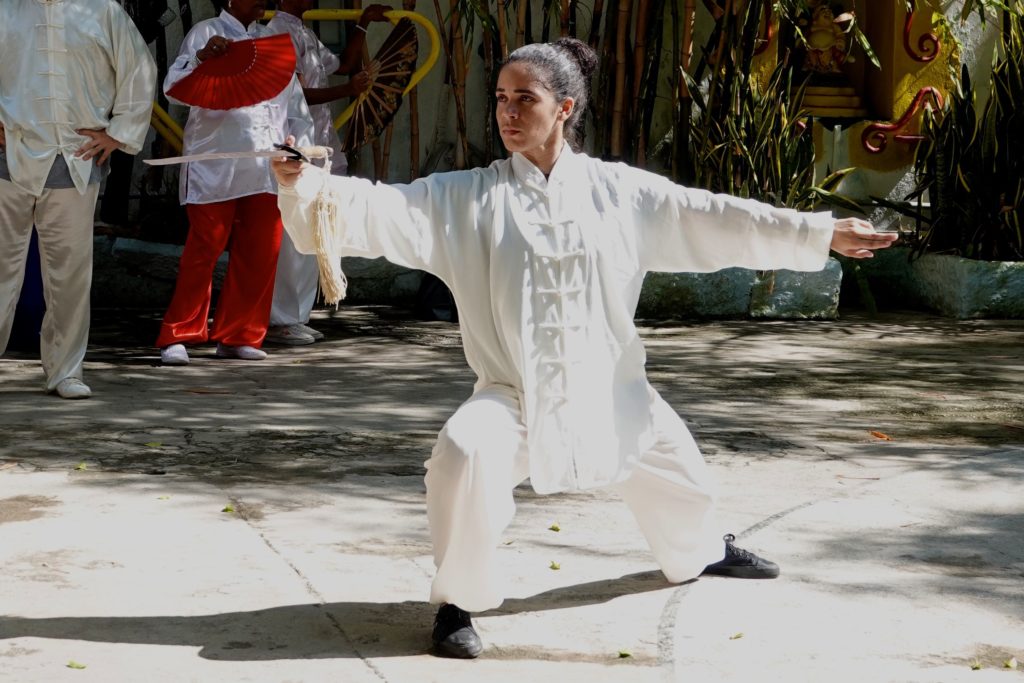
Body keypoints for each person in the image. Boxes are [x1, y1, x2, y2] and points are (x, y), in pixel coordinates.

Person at [272, 38, 898, 659]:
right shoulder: (465, 196)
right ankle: (456, 599)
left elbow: (716, 215)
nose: (508, 114)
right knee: (465, 452)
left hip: (614, 392)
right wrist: (308, 183)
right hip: (513, 397)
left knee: (683, 485)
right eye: (500, 99)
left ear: (565, 108)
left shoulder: (621, 192)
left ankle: (701, 550)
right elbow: (382, 205)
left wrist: (820, 231)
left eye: (526, 99)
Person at [0, 0, 157, 399]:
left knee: (70, 274)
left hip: (75, 158)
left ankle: (66, 370)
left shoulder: (103, 10)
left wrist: (119, 132)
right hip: (8, 157)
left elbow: (139, 68)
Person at [157, 0, 314, 365]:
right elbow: (172, 88)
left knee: (261, 252)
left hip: (266, 165)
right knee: (203, 251)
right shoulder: (206, 32)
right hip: (215, 163)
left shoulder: (274, 40)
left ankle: (240, 335)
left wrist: (297, 145)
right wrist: (200, 58)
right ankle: (177, 335)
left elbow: (295, 107)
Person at [263, 1, 392, 346]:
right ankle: (281, 319)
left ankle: (296, 315)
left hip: (319, 142)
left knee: (312, 231)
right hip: (296, 143)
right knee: (293, 237)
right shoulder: (276, 32)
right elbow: (296, 93)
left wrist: (363, 23)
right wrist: (348, 91)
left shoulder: (304, 31)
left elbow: (345, 65)